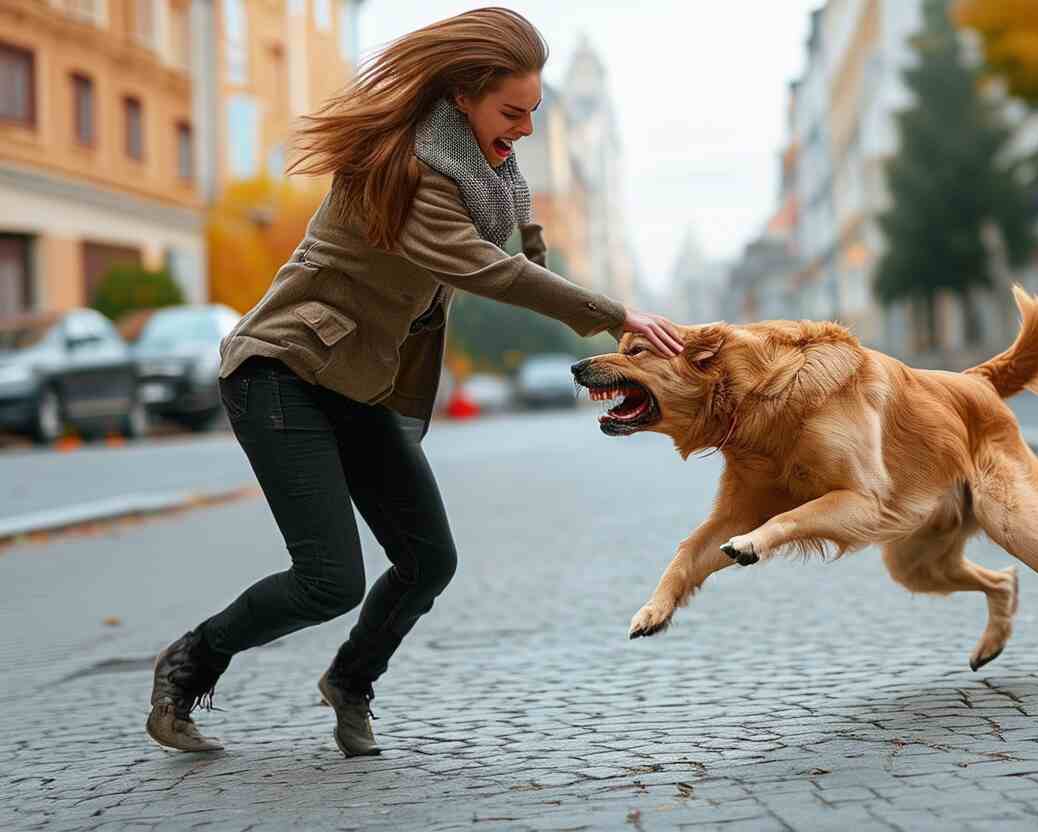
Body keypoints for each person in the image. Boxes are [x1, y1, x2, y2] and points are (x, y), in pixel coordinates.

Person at [145, 7, 682, 757]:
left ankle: (349, 682)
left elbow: (519, 242)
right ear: (463, 95)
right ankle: (190, 662)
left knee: (429, 560)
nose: (525, 127)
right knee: (329, 578)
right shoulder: (404, 168)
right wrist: (614, 312)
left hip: (357, 381)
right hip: (281, 371)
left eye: (533, 112)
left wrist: (534, 227)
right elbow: (485, 267)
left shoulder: (484, 169)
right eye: (512, 111)